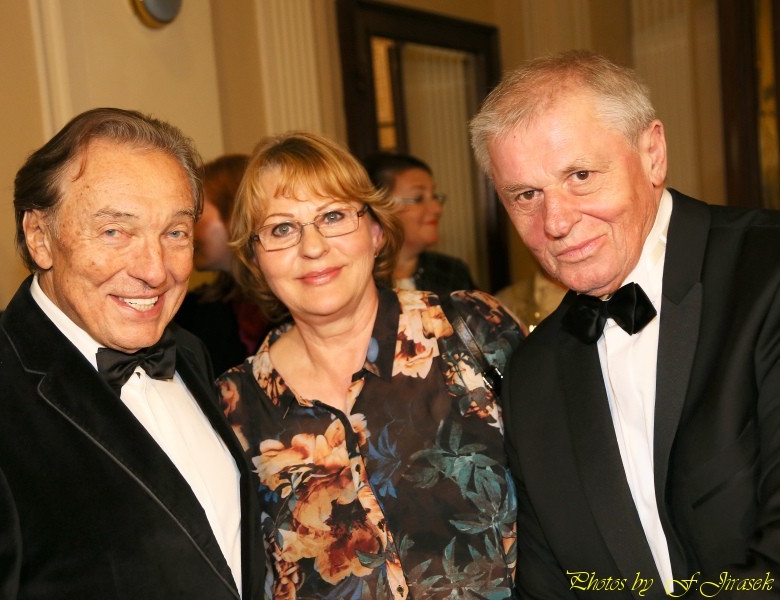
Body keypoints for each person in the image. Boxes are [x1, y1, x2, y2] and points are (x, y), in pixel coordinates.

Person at [0, 108, 264, 598]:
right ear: (40, 238)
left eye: (175, 232)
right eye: (114, 231)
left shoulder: (188, 353)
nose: (155, 270)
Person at [470, 50, 780, 598]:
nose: (555, 222)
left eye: (580, 176)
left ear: (652, 154)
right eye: (526, 195)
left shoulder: (767, 272)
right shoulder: (533, 374)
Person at [217, 131, 524, 598]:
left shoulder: (470, 330)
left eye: (333, 216)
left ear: (376, 232)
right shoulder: (234, 406)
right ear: (256, 259)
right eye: (281, 229)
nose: (312, 247)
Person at [174, 153, 272, 374]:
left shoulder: (294, 305)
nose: (185, 230)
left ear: (236, 215)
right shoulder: (193, 312)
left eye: (195, 215)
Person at [361, 152, 478, 295]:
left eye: (434, 196)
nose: (437, 208)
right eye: (418, 198)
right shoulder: (359, 280)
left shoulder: (452, 272)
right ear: (379, 208)